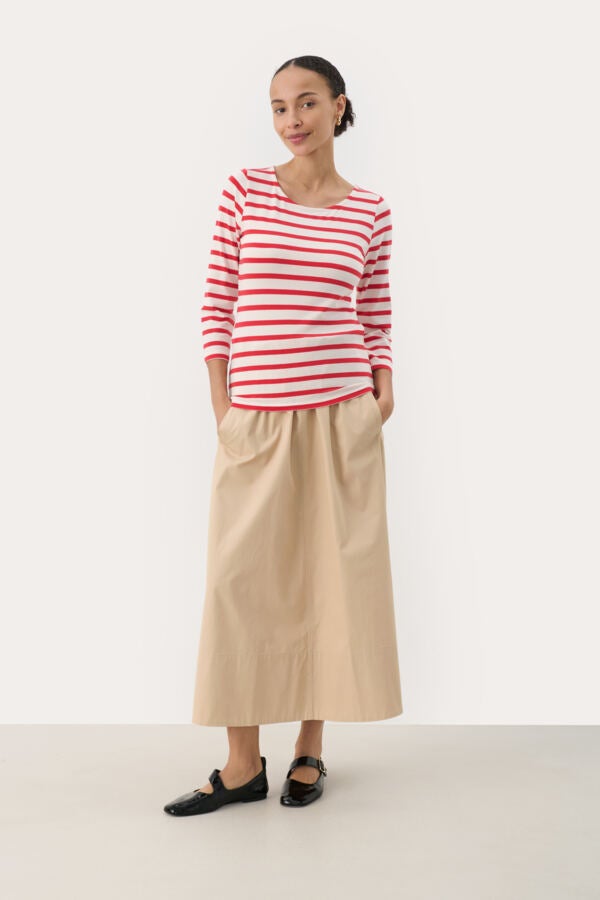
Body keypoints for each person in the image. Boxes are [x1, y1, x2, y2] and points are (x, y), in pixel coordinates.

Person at [164, 54, 403, 817]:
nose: (291, 120)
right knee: (238, 584)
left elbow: (375, 312)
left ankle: (309, 748)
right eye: (277, 106)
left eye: (305, 103)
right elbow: (218, 304)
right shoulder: (245, 190)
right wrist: (224, 408)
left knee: (326, 584)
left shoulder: (371, 211)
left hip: (341, 417)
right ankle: (241, 765)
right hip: (258, 421)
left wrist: (381, 391)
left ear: (339, 107)